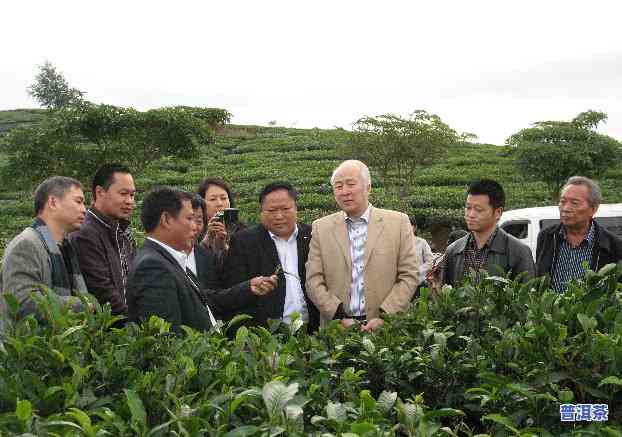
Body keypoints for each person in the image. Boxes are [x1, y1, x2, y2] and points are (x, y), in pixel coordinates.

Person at [126, 187, 277, 333]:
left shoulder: (169, 259)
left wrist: (248, 287)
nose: (195, 227)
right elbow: (167, 341)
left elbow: (204, 299)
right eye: (189, 218)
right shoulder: (153, 268)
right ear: (166, 220)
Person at [306, 160, 419, 332]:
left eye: (351, 184)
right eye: (338, 186)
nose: (345, 192)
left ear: (368, 187)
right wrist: (338, 316)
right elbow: (313, 280)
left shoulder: (398, 222)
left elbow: (409, 275)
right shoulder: (321, 228)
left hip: (387, 329)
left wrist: (386, 316)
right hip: (337, 329)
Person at [224, 182, 320, 332]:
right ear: (261, 212)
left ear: (296, 209)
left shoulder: (313, 235)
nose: (279, 216)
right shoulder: (244, 242)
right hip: (267, 335)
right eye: (272, 210)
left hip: (312, 330)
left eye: (285, 209)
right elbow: (234, 289)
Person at [1, 176, 89, 322]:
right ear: (53, 202)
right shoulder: (26, 245)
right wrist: (82, 305)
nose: (84, 210)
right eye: (78, 201)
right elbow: (21, 303)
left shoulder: (66, 248)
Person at [69, 164, 136, 317]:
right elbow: (101, 291)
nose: (129, 201)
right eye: (123, 193)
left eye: (132, 195)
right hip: (110, 329)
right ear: (100, 192)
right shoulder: (85, 234)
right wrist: (132, 322)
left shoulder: (124, 233)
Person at [536, 176, 622, 292]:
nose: (565, 208)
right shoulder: (547, 237)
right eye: (562, 201)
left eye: (574, 203)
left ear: (593, 209)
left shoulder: (614, 245)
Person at [442, 179, 535, 286]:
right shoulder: (453, 251)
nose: (471, 214)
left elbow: (527, 297)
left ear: (498, 212)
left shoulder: (518, 252)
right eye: (468, 208)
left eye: (478, 209)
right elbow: (446, 297)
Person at [410, 217, 434, 282]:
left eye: (409, 225)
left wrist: (417, 271)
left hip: (419, 282)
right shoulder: (398, 243)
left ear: (415, 228)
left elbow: (430, 261)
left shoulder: (422, 242)